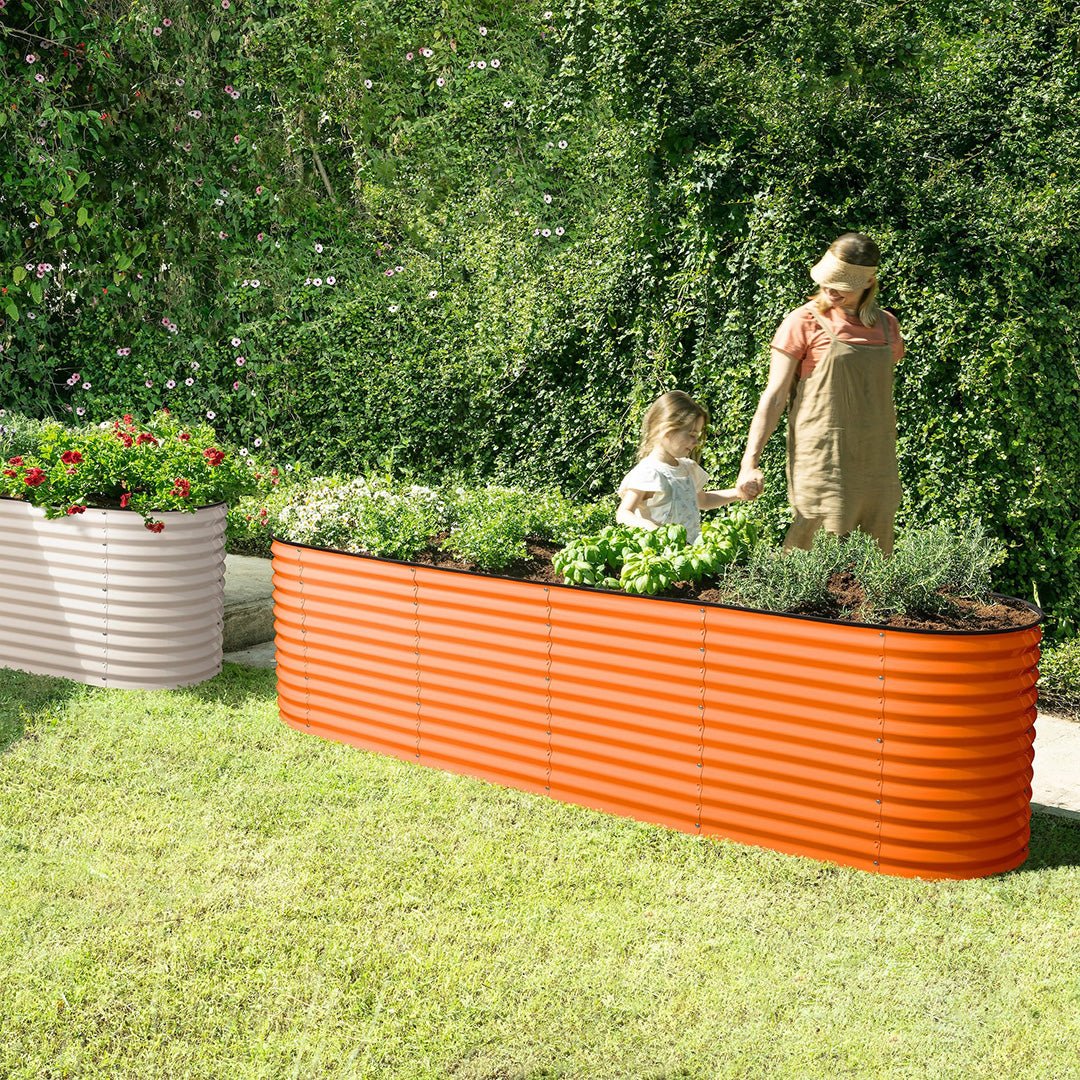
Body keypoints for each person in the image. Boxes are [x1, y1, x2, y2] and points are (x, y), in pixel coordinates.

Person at [735, 232, 906, 554]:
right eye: (827, 280)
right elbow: (774, 396)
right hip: (824, 457)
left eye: (842, 284)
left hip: (877, 459)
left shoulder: (887, 327)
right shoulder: (803, 322)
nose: (829, 289)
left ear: (869, 281)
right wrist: (750, 461)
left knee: (877, 551)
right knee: (818, 548)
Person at [617, 390, 744, 543]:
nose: (696, 442)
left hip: (690, 553)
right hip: (658, 554)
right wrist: (649, 527)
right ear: (667, 430)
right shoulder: (649, 472)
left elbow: (702, 500)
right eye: (691, 435)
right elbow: (623, 513)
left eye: (697, 436)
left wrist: (738, 493)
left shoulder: (688, 468)